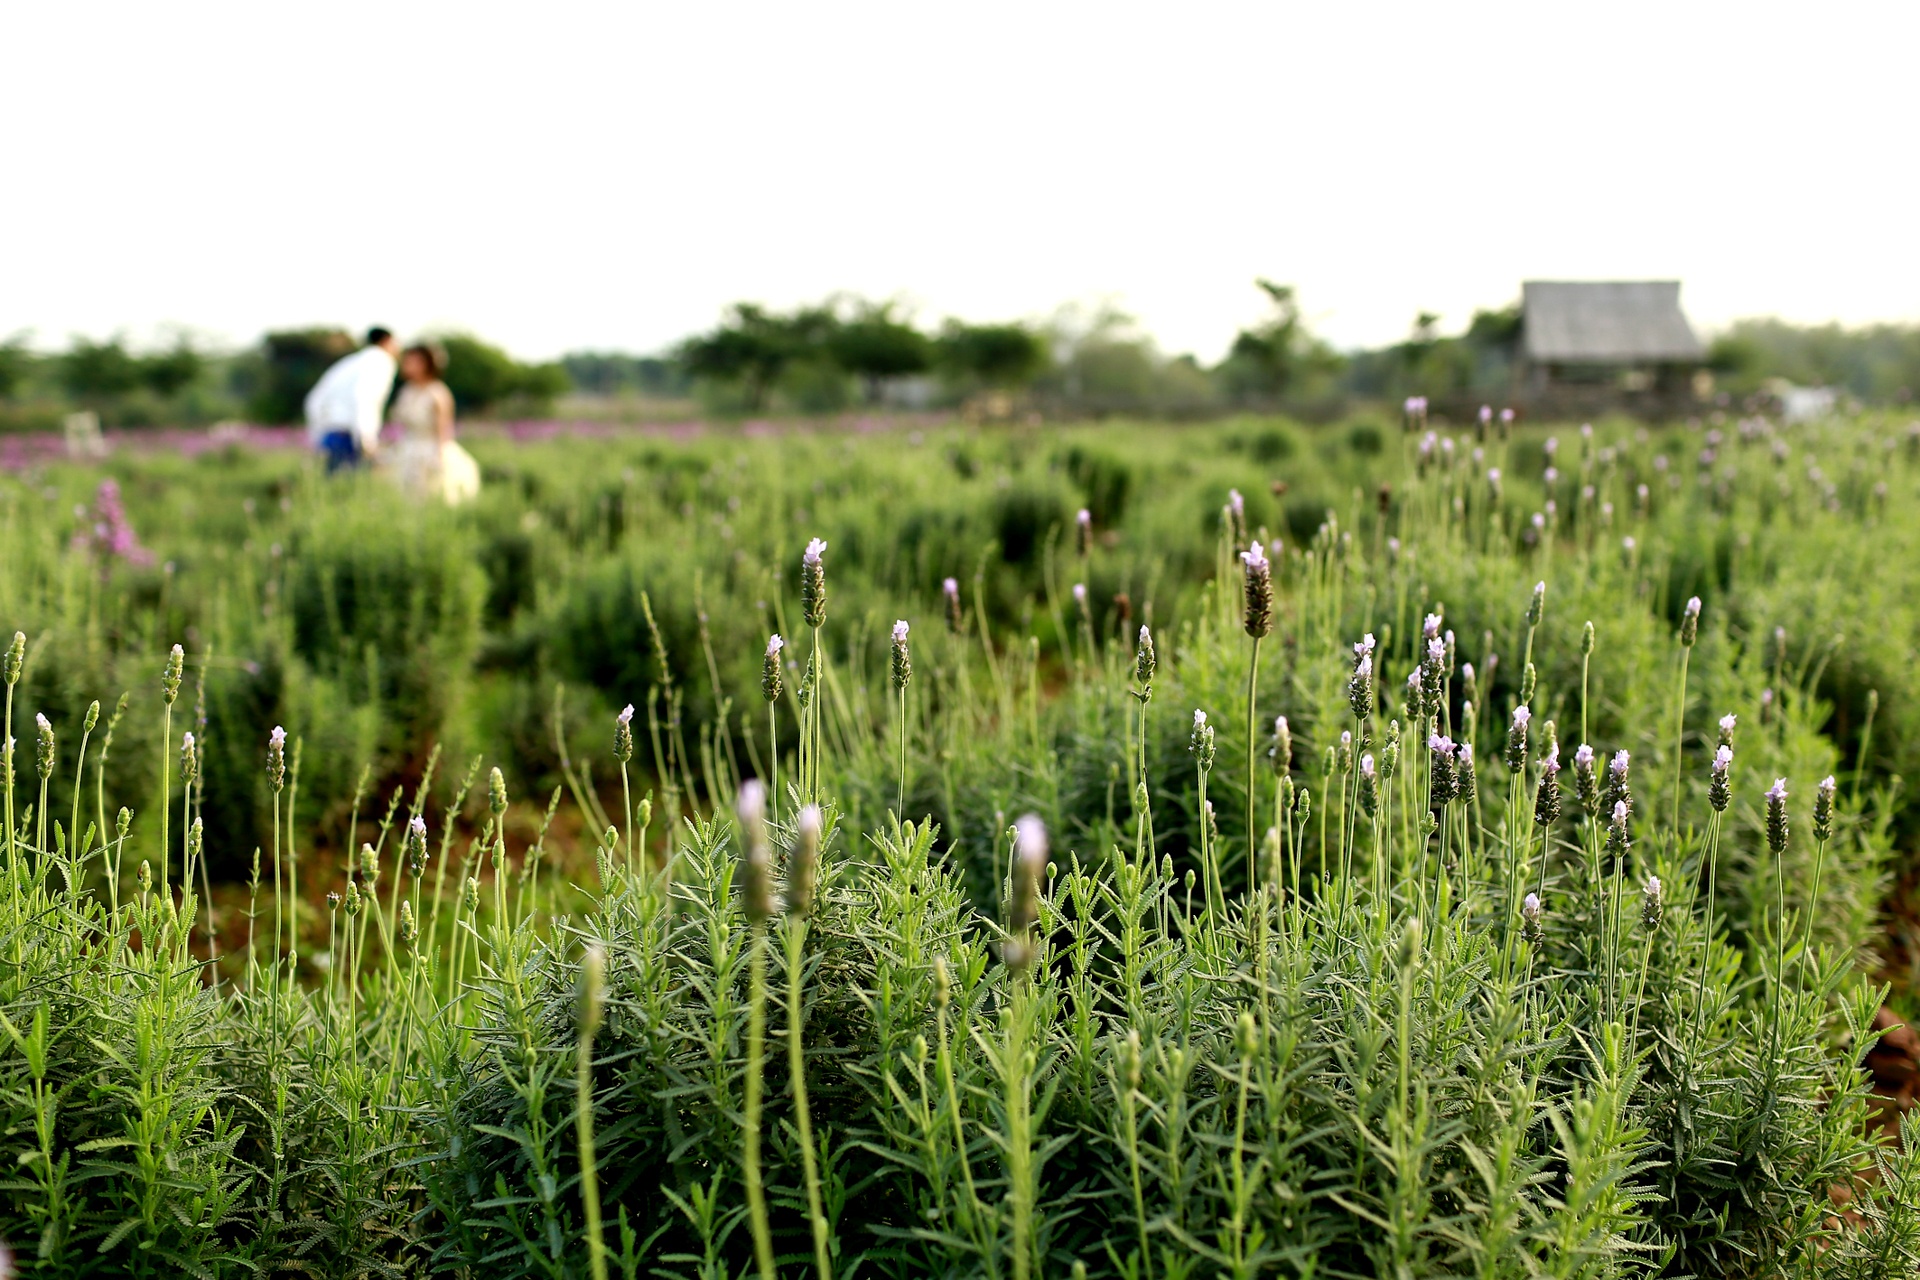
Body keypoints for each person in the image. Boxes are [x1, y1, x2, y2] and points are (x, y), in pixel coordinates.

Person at [388, 343, 481, 505]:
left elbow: (445, 429)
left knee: (433, 496)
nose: (407, 365)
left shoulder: (438, 393)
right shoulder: (406, 391)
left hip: (431, 449)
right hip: (407, 448)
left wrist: (440, 455)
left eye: (413, 361)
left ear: (426, 364)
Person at [304, 327, 399, 471]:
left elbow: (314, 400)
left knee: (333, 489)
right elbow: (363, 397)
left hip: (331, 435)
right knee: (350, 489)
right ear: (387, 341)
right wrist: (366, 438)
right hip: (351, 438)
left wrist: (318, 435)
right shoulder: (382, 361)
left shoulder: (349, 362)